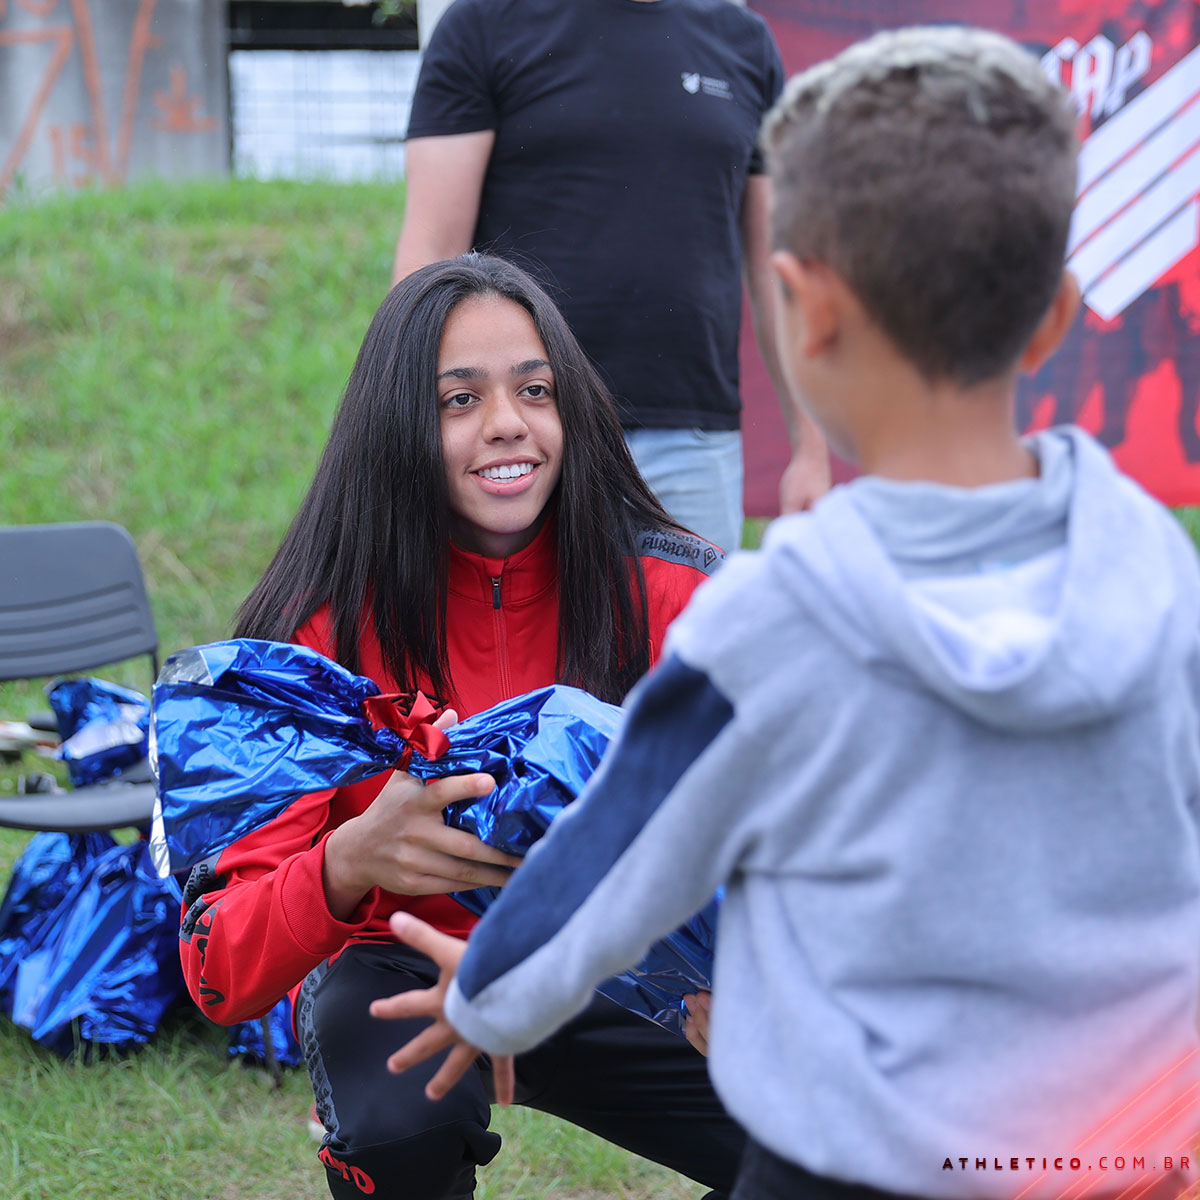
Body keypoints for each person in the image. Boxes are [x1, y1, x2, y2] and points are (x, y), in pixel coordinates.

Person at [372, 27, 1200, 1200]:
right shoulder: (1158, 576)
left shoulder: (768, 624)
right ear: (1057, 315)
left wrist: (489, 993)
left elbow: (614, 864)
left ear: (803, 313)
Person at [176, 254, 743, 1200]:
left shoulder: (681, 593)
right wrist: (350, 859)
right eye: (459, 400)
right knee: (398, 1132)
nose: (508, 423)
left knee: (837, 1124)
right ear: (398, 424)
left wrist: (756, 973)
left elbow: (812, 833)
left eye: (534, 390)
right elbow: (217, 968)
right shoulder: (312, 630)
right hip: (402, 964)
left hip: (621, 963)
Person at [392, 0, 831, 555]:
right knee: (524, 641)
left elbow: (778, 271)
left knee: (686, 644)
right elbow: (431, 255)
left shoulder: (742, 40)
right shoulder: (485, 23)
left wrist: (811, 450)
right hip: (526, 430)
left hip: (693, 443)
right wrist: (402, 430)